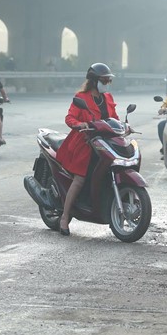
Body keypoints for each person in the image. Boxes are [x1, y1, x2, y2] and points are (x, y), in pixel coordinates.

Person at [56, 63, 119, 236]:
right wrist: (79, 124)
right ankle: (65, 216)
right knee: (80, 179)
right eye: (104, 80)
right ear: (94, 81)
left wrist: (124, 126)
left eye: (108, 80)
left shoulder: (108, 98)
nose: (107, 83)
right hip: (86, 141)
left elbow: (115, 119)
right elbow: (70, 118)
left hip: (106, 142)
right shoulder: (81, 97)